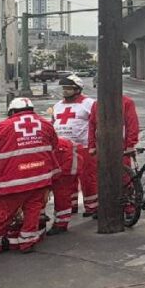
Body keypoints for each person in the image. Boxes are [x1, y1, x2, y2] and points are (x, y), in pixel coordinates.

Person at [0, 97, 59, 254]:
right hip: (39, 178)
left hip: (13, 179)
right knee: (33, 211)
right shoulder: (45, 124)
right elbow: (54, 144)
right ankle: (27, 243)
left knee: (2, 213)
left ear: (12, 111)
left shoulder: (4, 126)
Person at [88, 94, 140, 219]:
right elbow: (92, 125)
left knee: (125, 177)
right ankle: (106, 206)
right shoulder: (96, 104)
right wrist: (92, 145)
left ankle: (128, 207)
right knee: (103, 177)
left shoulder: (126, 102)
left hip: (120, 147)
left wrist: (130, 145)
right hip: (102, 147)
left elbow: (132, 124)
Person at [52, 75, 97, 218]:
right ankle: (70, 205)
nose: (65, 91)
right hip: (63, 149)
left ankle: (92, 206)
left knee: (88, 178)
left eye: (69, 88)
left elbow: (95, 123)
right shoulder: (58, 105)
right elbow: (53, 122)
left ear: (77, 89)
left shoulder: (89, 103)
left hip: (83, 147)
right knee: (66, 179)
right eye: (64, 88)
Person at [46, 137, 87, 235]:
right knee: (63, 192)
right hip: (66, 157)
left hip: (67, 161)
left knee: (62, 193)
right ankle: (63, 217)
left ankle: (61, 224)